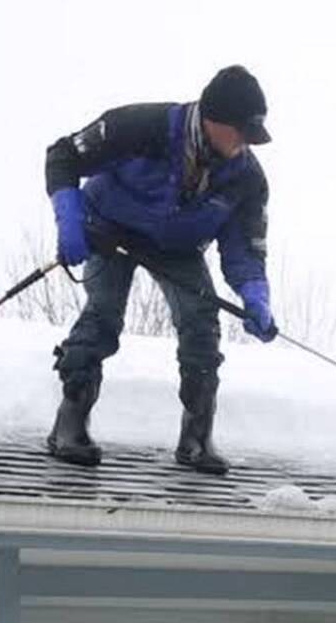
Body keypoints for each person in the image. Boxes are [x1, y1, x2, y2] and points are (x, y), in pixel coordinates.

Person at [43, 65, 277, 475]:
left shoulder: (246, 178)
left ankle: (196, 438)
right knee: (103, 315)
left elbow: (244, 246)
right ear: (212, 119)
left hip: (178, 246)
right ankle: (70, 424)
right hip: (108, 229)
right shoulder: (138, 127)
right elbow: (63, 155)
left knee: (201, 322)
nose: (244, 144)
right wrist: (69, 215)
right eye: (240, 132)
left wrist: (254, 293)